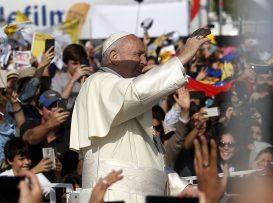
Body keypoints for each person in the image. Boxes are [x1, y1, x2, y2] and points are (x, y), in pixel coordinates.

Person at [70, 31, 210, 202]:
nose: (144, 62)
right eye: (138, 54)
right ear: (114, 56)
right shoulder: (97, 82)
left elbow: (145, 168)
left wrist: (181, 187)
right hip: (111, 196)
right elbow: (136, 92)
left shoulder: (128, 94)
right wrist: (184, 56)